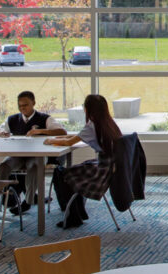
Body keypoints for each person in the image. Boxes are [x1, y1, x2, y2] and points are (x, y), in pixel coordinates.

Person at [45, 94, 122, 229]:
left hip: (101, 170)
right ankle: (76, 211)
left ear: (87, 109)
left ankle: (73, 215)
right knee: (67, 172)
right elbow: (78, 137)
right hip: (109, 166)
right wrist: (64, 137)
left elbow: (69, 142)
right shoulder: (108, 122)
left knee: (61, 173)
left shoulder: (92, 126)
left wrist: (51, 140)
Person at [0, 91, 66, 218]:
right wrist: (1, 132)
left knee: (34, 167)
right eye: (20, 106)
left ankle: (28, 201)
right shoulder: (12, 119)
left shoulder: (44, 118)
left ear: (33, 103)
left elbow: (62, 131)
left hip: (37, 155)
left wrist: (40, 131)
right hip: (18, 155)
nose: (22, 108)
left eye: (25, 105)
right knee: (3, 167)